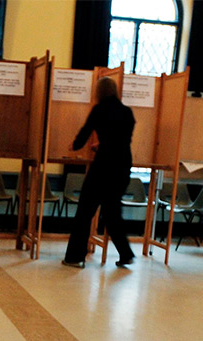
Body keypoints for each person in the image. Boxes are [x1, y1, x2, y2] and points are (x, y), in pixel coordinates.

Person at [62, 76, 137, 268]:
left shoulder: (99, 110)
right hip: (122, 165)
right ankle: (126, 253)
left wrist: (75, 146)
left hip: (104, 165)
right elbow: (121, 139)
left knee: (85, 211)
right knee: (112, 212)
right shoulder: (127, 112)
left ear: (99, 92)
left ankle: (75, 256)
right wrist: (104, 144)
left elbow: (85, 132)